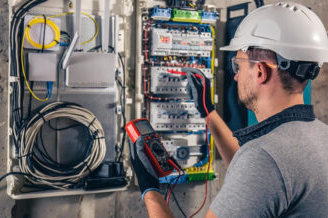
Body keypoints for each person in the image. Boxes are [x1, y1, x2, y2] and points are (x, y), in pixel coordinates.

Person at [129, 2, 328, 217]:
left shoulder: (264, 159)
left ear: (260, 71)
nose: (235, 76)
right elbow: (262, 182)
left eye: (238, 65)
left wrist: (150, 190)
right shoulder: (320, 137)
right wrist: (208, 113)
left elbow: (263, 170)